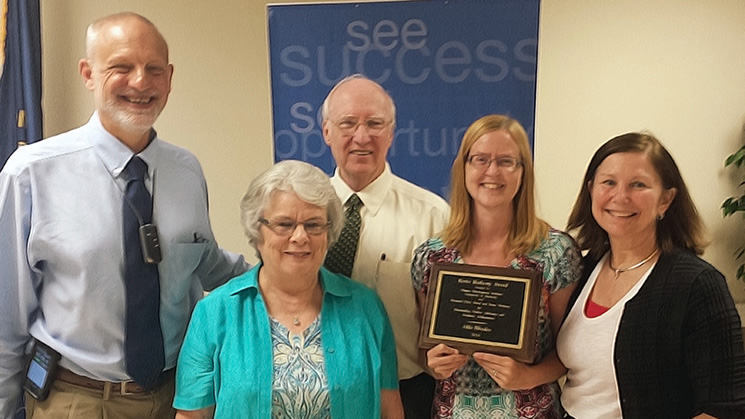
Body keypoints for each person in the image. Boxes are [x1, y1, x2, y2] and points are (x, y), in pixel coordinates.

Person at [0, 12, 247, 419]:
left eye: (153, 70)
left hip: (175, 398)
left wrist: (290, 273)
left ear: (169, 78)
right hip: (74, 399)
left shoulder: (187, 172)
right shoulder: (30, 173)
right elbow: (7, 316)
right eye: (121, 67)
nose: (139, 82)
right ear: (88, 73)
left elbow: (210, 265)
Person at [172, 160, 403, 418]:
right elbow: (191, 415)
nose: (300, 237)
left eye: (314, 224)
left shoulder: (366, 308)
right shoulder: (214, 313)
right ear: (257, 231)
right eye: (284, 224)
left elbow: (389, 408)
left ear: (330, 232)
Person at [557, 132, 745, 418]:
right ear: (591, 190)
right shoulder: (581, 269)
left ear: (666, 200)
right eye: (609, 182)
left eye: (639, 185)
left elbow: (723, 408)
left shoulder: (697, 285)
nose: (621, 196)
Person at [411, 114, 582, 418]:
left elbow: (569, 350)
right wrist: (434, 364)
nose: (492, 171)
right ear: (463, 168)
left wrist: (527, 376)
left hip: (531, 412)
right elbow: (426, 350)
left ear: (522, 172)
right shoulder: (432, 256)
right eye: (480, 159)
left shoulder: (555, 253)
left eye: (506, 161)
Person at [320, 74, 450, 418]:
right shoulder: (305, 210)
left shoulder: (433, 215)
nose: (361, 136)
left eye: (375, 124)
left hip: (407, 393)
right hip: (316, 390)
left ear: (391, 133)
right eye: (348, 123)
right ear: (326, 131)